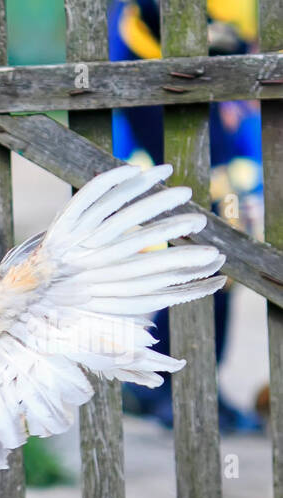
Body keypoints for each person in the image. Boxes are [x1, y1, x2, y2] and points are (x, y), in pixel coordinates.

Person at [109, 0, 262, 432]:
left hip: (203, 98)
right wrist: (215, 39)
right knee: (204, 242)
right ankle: (168, 384)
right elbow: (156, 18)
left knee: (221, 249)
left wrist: (224, 39)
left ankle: (181, 379)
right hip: (160, 84)